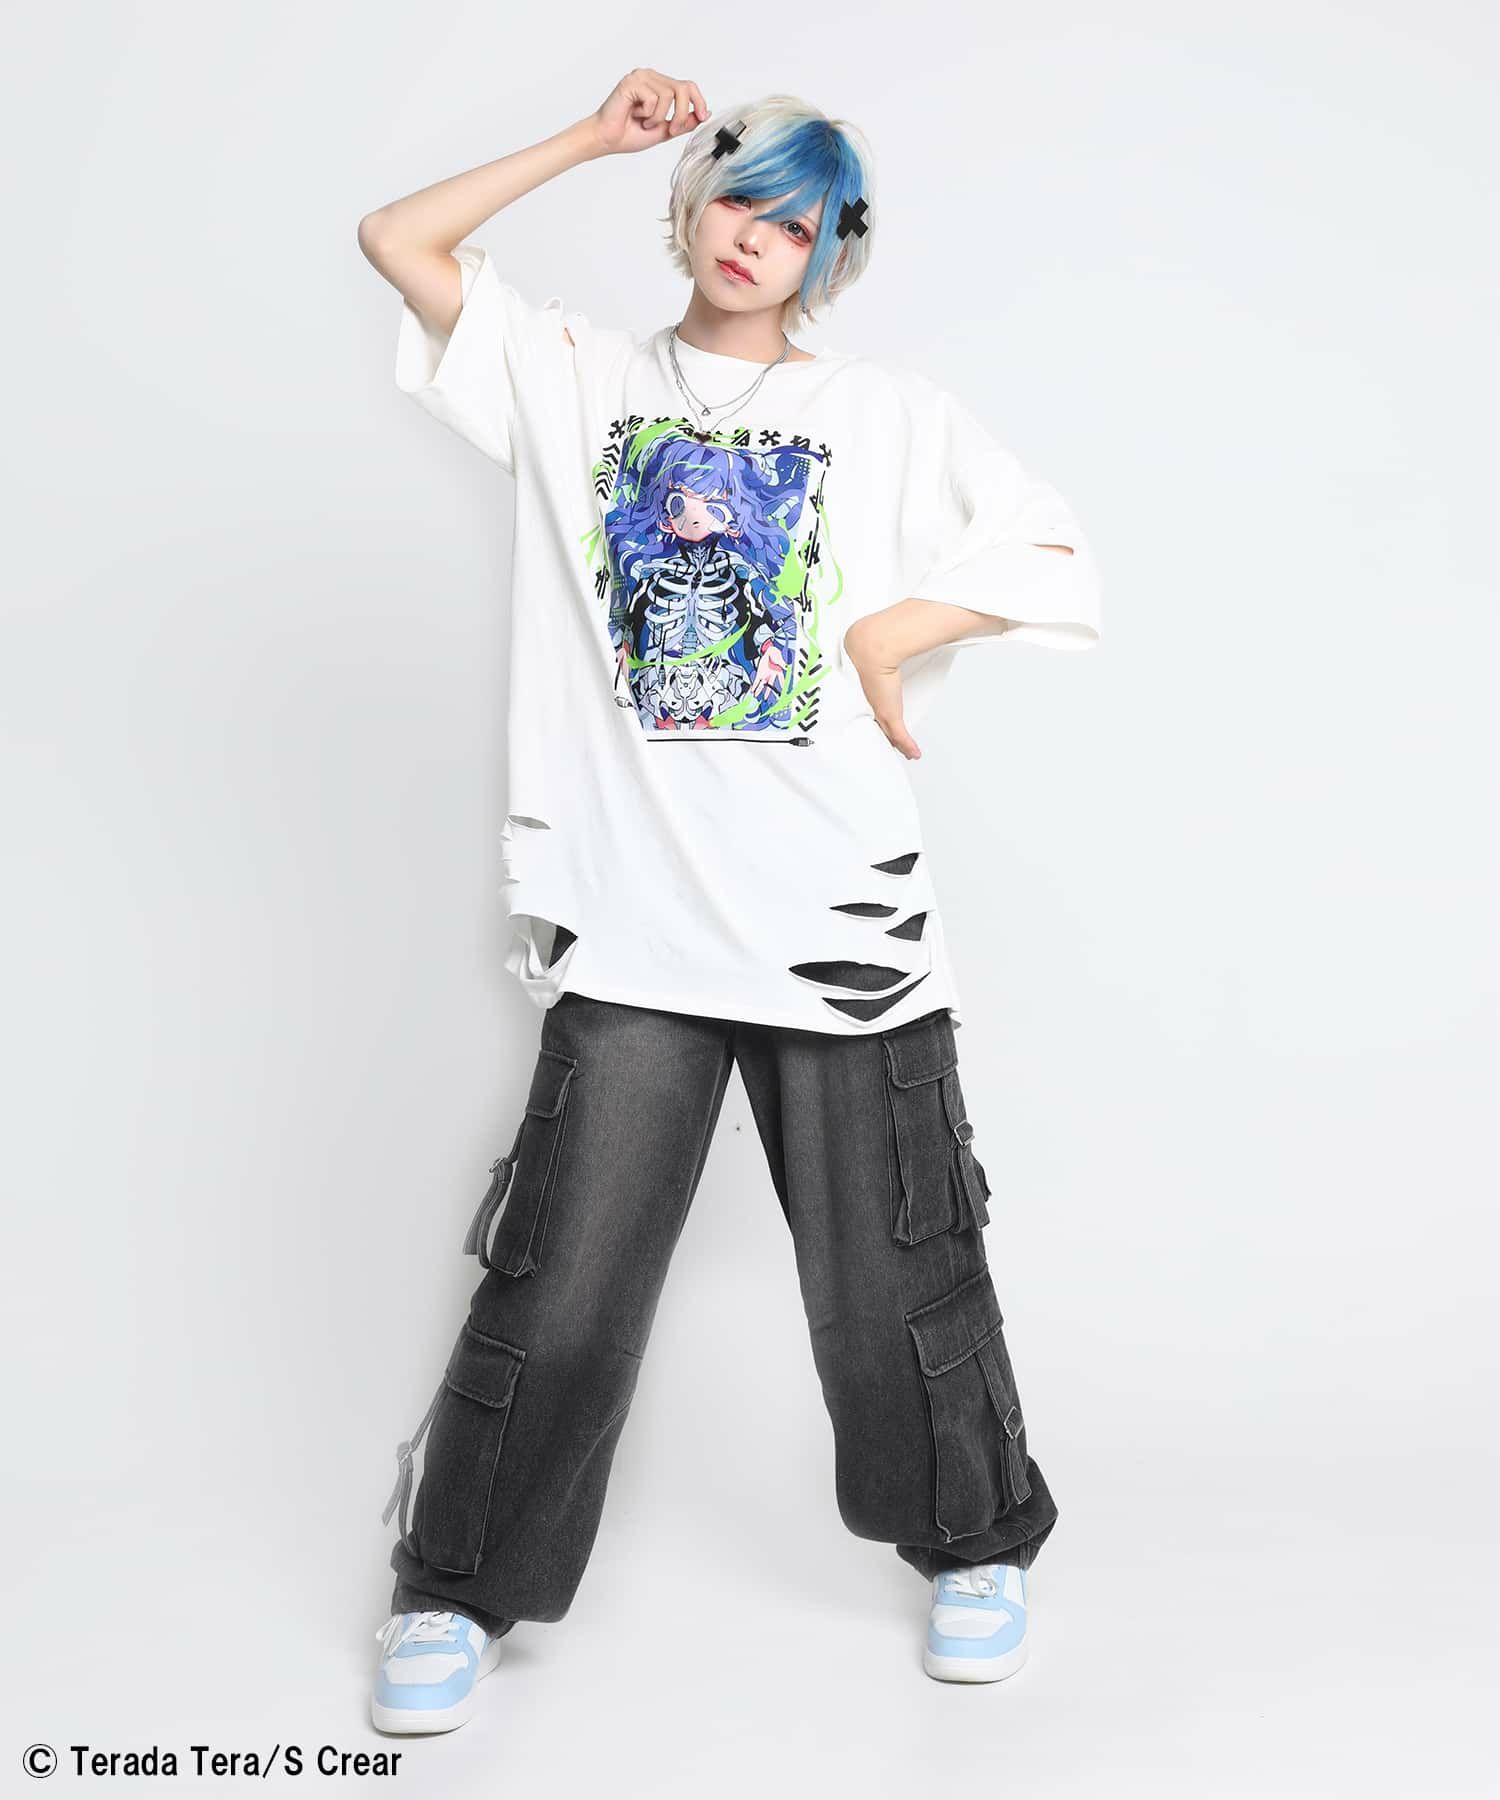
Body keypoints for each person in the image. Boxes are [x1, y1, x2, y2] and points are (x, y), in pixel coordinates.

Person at [357, 71, 1101, 1733]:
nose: (759, 236)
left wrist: (897, 629)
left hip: (838, 925)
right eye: (739, 197)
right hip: (633, 927)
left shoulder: (886, 416)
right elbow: (397, 238)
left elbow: (1053, 553)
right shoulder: (577, 380)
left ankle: (975, 1544)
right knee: (560, 1282)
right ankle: (457, 1580)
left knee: (897, 1275)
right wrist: (587, 140)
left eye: (798, 220)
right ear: (689, 208)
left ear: (833, 254)